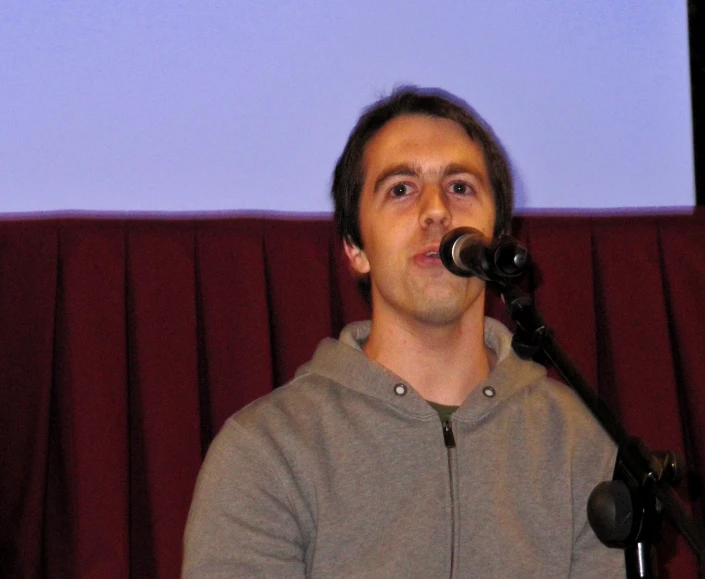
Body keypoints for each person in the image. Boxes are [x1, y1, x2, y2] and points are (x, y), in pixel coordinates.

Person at [182, 87, 625, 578]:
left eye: (460, 187)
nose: (436, 211)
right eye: (401, 189)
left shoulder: (576, 443)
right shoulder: (266, 452)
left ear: (498, 234)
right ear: (355, 248)